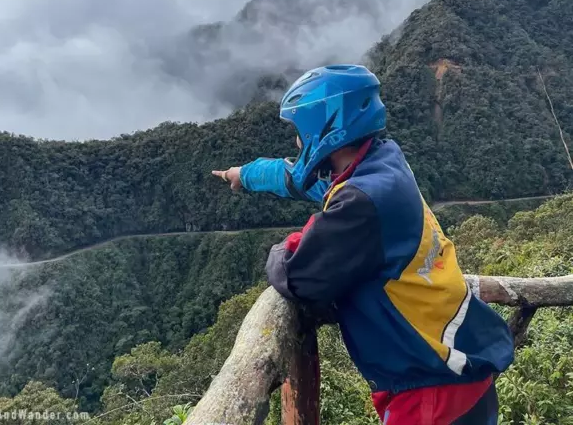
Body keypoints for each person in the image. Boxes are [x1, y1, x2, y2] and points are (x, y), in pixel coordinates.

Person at [212, 64, 514, 424]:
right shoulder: (381, 163)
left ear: (323, 128)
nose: (297, 141)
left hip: (431, 388)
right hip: (458, 363)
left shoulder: (362, 202)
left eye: (299, 131)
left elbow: (300, 277)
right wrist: (244, 175)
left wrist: (285, 247)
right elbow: (301, 178)